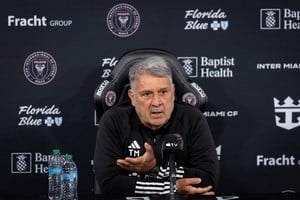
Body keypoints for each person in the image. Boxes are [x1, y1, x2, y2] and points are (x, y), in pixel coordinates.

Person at [94, 56, 219, 196]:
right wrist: (172, 188)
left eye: (163, 92)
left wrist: (155, 168)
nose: (157, 102)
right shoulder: (114, 120)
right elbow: (109, 183)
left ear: (173, 92)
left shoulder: (192, 118)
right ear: (132, 97)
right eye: (147, 94)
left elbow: (208, 179)